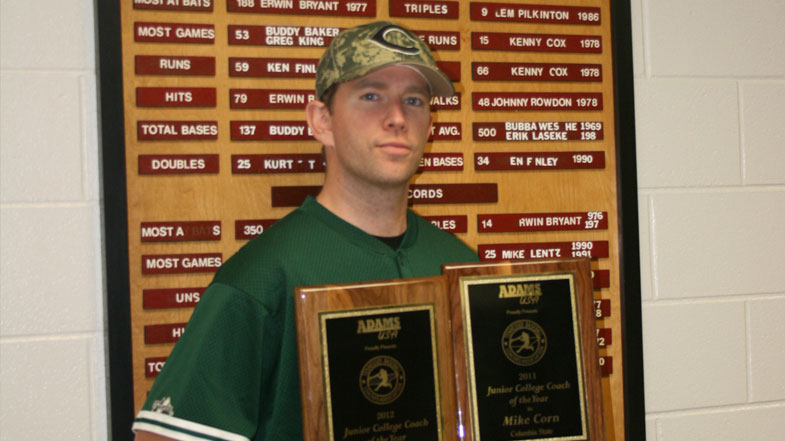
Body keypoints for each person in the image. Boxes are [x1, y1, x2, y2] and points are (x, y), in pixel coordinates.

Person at [132, 20, 478, 441]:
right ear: (322, 121)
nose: (396, 118)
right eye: (371, 96)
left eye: (414, 100)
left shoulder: (459, 265)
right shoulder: (260, 277)